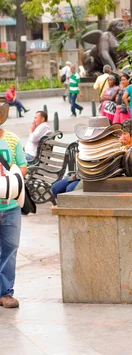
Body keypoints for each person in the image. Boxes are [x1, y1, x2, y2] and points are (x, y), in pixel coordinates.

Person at [0, 102, 27, 308]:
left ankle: (6, 292)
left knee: (10, 248)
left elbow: (23, 166)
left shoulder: (12, 139)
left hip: (10, 207)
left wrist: (11, 178)